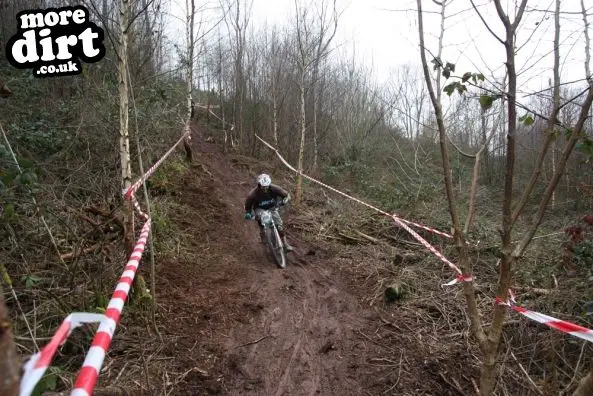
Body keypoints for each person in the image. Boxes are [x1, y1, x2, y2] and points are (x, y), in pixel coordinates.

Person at [244, 173, 293, 252]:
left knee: (279, 226)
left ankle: (285, 244)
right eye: (263, 186)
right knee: (261, 221)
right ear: (259, 185)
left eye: (267, 186)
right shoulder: (253, 194)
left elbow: (287, 195)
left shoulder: (275, 188)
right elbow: (248, 206)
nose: (265, 188)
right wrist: (248, 213)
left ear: (269, 184)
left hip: (272, 208)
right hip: (259, 209)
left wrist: (284, 201)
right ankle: (263, 235)